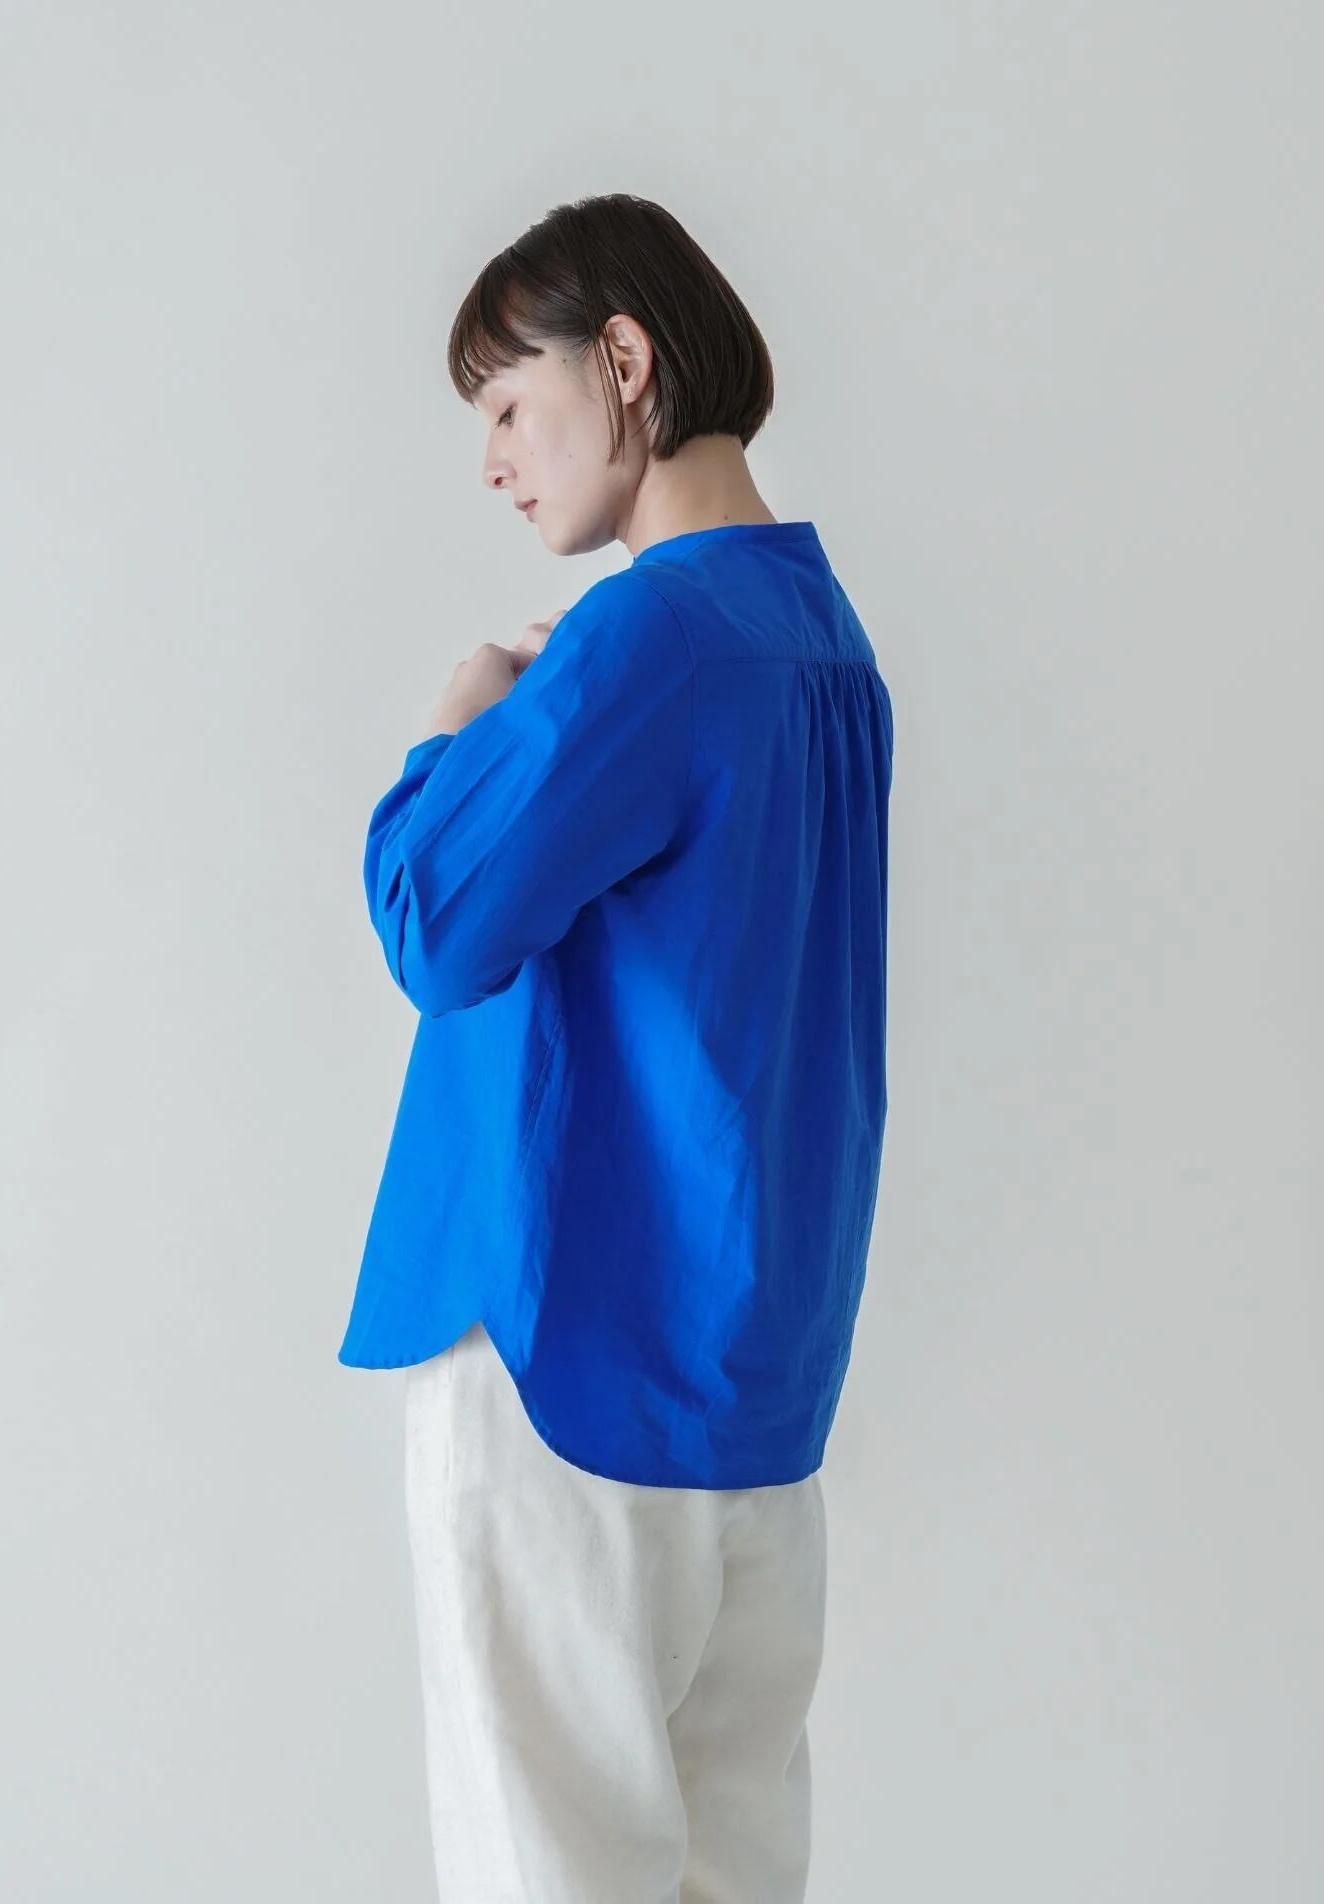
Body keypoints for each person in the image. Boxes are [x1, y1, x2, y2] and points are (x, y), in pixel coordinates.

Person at [338, 191, 893, 1902]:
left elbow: (438, 921)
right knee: (733, 1871)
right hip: (749, 1381)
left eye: (511, 403)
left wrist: (452, 730)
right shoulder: (826, 644)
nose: (495, 462)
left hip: (559, 1345)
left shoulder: (650, 635)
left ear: (627, 363)